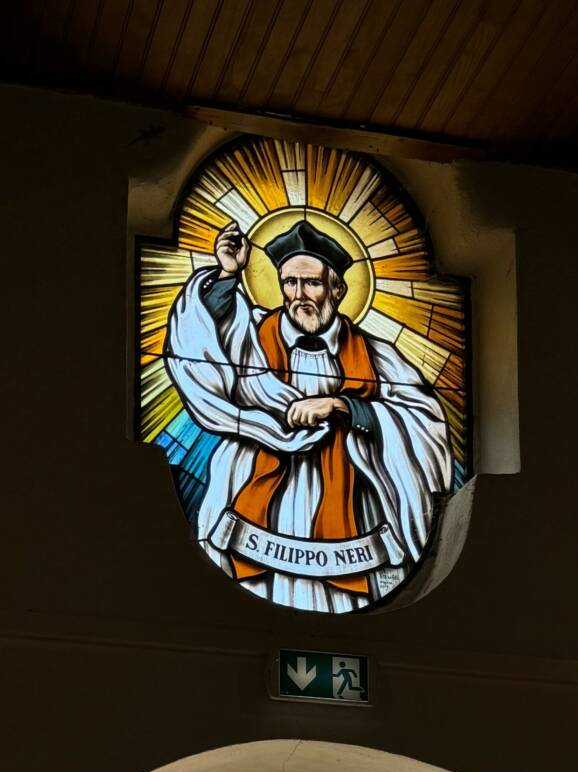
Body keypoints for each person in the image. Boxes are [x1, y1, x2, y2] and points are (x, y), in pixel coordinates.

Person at [164, 218, 453, 611]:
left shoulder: (375, 355)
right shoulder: (252, 339)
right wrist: (228, 276)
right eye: (290, 283)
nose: (299, 295)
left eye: (312, 283)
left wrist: (345, 407)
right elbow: (203, 340)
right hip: (252, 507)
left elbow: (425, 420)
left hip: (354, 517)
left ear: (337, 289)